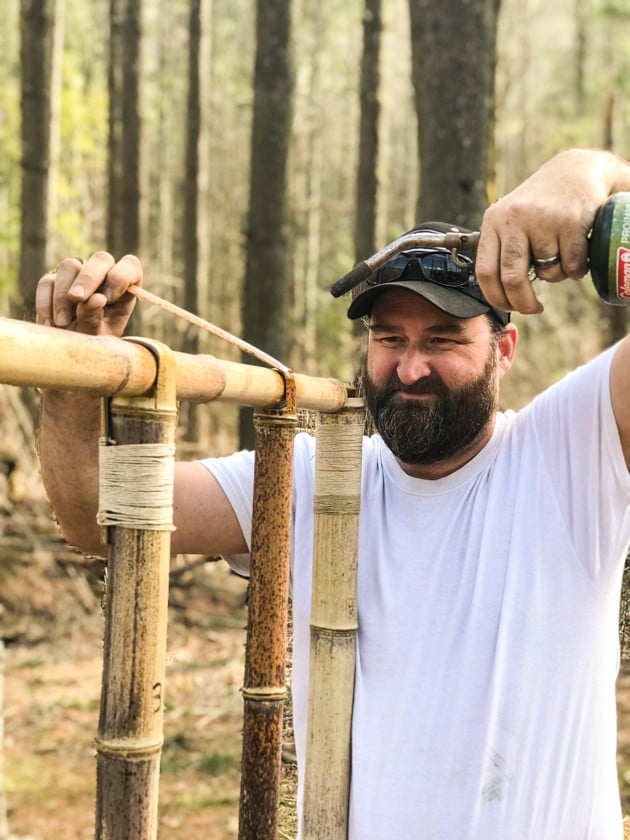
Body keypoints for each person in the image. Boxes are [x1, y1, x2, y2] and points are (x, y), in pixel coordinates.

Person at [37, 147, 630, 839]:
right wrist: (76, 365)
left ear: (504, 349)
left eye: (443, 339)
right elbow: (93, 511)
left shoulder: (570, 451)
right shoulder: (316, 482)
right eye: (389, 337)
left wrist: (587, 173)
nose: (410, 366)